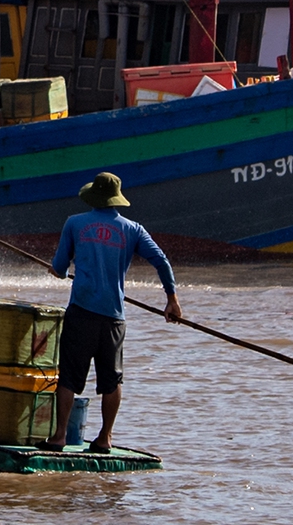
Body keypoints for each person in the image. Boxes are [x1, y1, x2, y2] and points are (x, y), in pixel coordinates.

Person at [48, 170, 183, 454]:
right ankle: (104, 438)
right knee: (112, 379)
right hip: (113, 318)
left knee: (69, 376)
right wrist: (172, 300)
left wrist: (57, 271)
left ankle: (60, 436)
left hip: (81, 312)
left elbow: (60, 268)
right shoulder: (133, 230)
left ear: (93, 197)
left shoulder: (74, 224)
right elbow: (161, 261)